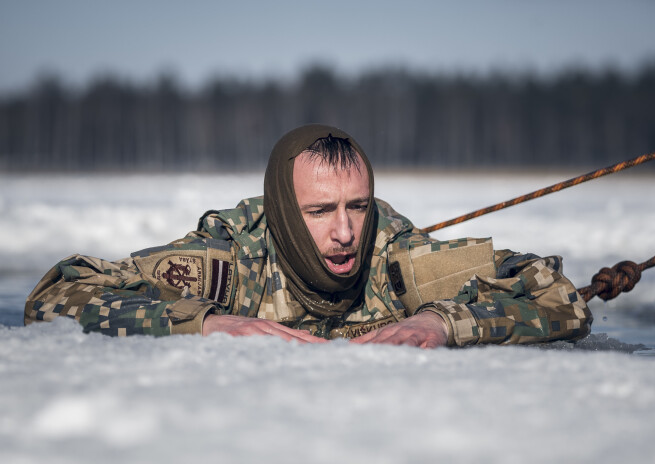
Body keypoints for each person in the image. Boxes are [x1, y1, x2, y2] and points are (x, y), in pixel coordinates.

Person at [24, 124, 592, 348]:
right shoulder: (229, 260)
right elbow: (55, 294)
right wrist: (208, 323)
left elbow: (552, 293)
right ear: (284, 212)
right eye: (320, 211)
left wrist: (441, 322)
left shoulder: (395, 254)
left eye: (359, 206)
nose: (345, 232)